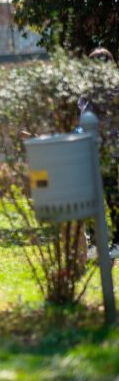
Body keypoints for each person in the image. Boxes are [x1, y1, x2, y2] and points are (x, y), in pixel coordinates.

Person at [79, 47, 119, 259]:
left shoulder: (114, 89)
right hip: (88, 148)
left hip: (108, 149)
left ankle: (117, 241)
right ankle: (95, 242)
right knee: (91, 198)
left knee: (111, 197)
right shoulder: (87, 89)